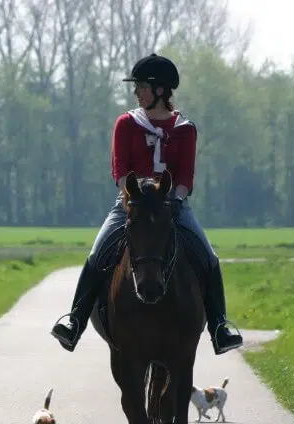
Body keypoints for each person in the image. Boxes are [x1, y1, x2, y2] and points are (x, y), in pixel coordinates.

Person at [50, 53, 243, 356]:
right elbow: (120, 168)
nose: (136, 91)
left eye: (141, 85)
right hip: (131, 203)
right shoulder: (126, 124)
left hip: (173, 205)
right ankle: (75, 321)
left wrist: (174, 201)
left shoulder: (185, 129)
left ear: (161, 90)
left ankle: (219, 326)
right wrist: (134, 197)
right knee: (97, 253)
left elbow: (185, 175)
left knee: (209, 257)